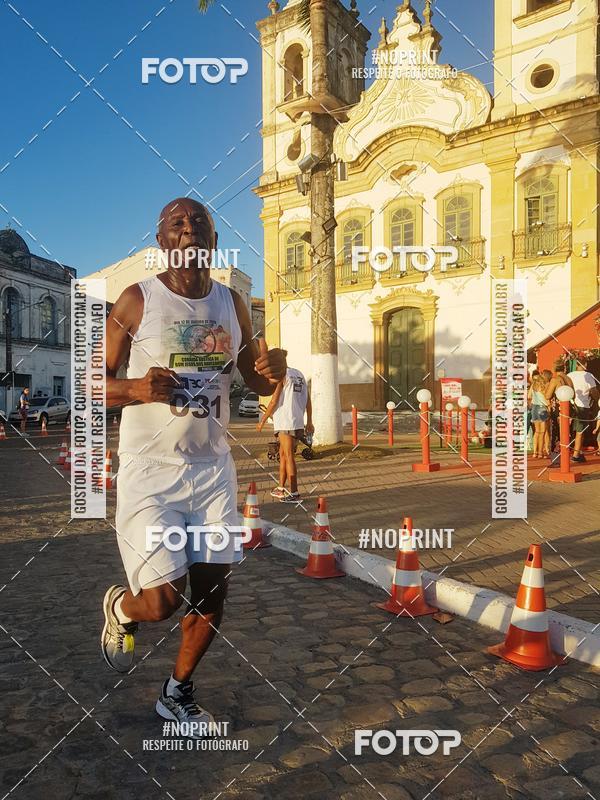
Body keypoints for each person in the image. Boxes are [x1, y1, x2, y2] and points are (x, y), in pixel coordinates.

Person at [101, 198, 287, 734]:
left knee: (211, 592)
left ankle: (177, 692)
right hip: (150, 469)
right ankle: (121, 608)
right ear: (161, 241)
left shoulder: (233, 303)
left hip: (212, 471)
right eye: (176, 224)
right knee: (161, 601)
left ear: (213, 236)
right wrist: (134, 388)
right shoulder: (137, 300)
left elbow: (253, 379)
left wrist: (272, 370)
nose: (189, 230)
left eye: (199, 222)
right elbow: (92, 380)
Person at [256, 368, 313, 502]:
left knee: (288, 456)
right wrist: (309, 421)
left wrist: (262, 421)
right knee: (282, 455)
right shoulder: (299, 374)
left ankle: (294, 493)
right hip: (297, 421)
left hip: (286, 422)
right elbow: (308, 400)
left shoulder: (281, 374)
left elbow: (273, 401)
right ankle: (281, 488)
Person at [567, 358, 598, 463]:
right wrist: (597, 399)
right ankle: (575, 455)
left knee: (574, 430)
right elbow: (593, 391)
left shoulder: (570, 375)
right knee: (580, 431)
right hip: (582, 405)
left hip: (570, 404)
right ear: (584, 364)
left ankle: (578, 452)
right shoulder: (588, 376)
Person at [545, 361, 573, 458]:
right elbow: (574, 395)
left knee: (556, 433)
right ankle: (565, 455)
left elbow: (548, 395)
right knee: (566, 433)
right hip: (568, 408)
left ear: (554, 369)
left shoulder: (555, 380)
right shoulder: (569, 379)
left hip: (557, 409)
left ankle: (556, 457)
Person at [528, 371, 550, 458]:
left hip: (534, 408)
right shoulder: (543, 387)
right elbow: (546, 399)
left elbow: (529, 396)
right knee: (542, 432)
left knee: (536, 431)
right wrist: (549, 406)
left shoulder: (533, 386)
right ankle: (541, 452)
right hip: (542, 408)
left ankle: (535, 452)